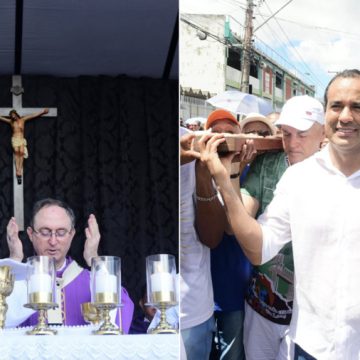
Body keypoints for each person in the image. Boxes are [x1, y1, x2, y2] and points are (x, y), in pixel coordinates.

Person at [197, 69, 360, 359]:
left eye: (301, 133)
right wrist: (227, 176)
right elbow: (256, 241)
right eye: (286, 134)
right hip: (294, 329)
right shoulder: (291, 176)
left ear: (320, 130)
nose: (292, 142)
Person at [5, 198, 134, 331]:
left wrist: (94, 259)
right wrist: (14, 261)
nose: (53, 241)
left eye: (61, 233)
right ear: (31, 234)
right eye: (45, 232)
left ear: (71, 234)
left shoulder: (92, 280)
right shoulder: (18, 282)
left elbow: (122, 311)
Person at [197, 109, 253, 360]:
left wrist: (232, 171)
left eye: (229, 133)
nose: (222, 139)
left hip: (232, 289)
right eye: (215, 132)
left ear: (240, 136)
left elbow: (233, 226)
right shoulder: (196, 169)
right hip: (202, 289)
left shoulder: (249, 171)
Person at [180, 126, 215, 360]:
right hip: (153, 307)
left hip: (194, 309)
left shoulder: (194, 145)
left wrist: (203, 172)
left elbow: (213, 237)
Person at [0, 108, 49, 184]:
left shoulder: (23, 120)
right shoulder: (11, 122)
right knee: (17, 152)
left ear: (16, 114)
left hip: (21, 139)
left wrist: (42, 112)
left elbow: (32, 115)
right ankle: (17, 170)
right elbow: (1, 118)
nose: (13, 117)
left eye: (14, 115)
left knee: (22, 152)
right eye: (11, 116)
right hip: (15, 139)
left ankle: (19, 169)